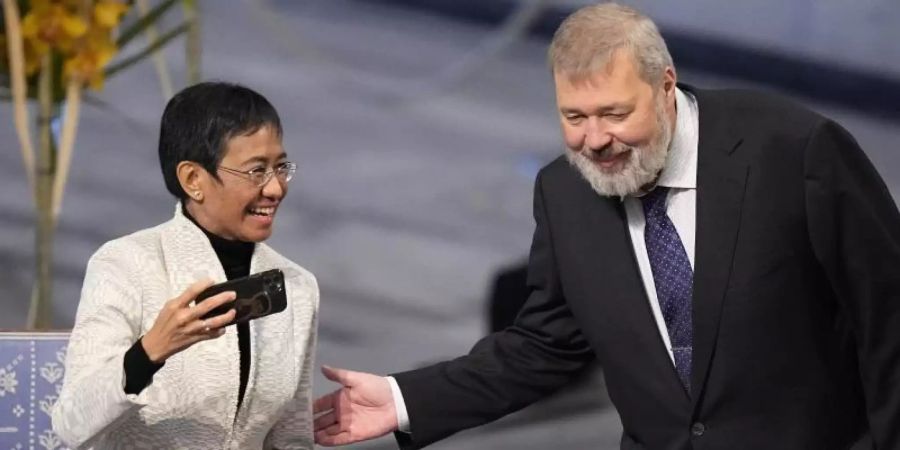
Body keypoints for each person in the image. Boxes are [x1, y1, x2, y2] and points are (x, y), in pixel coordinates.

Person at [312, 3, 900, 449]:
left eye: (615, 114)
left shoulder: (791, 150)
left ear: (665, 86)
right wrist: (402, 398)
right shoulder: (564, 193)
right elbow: (544, 346)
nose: (595, 141)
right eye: (575, 116)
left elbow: (889, 319)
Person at [52, 82, 319, 449]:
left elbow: (292, 437)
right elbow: (71, 424)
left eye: (280, 167)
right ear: (194, 179)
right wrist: (149, 352)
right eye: (257, 172)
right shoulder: (125, 264)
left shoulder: (298, 287)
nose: (275, 189)